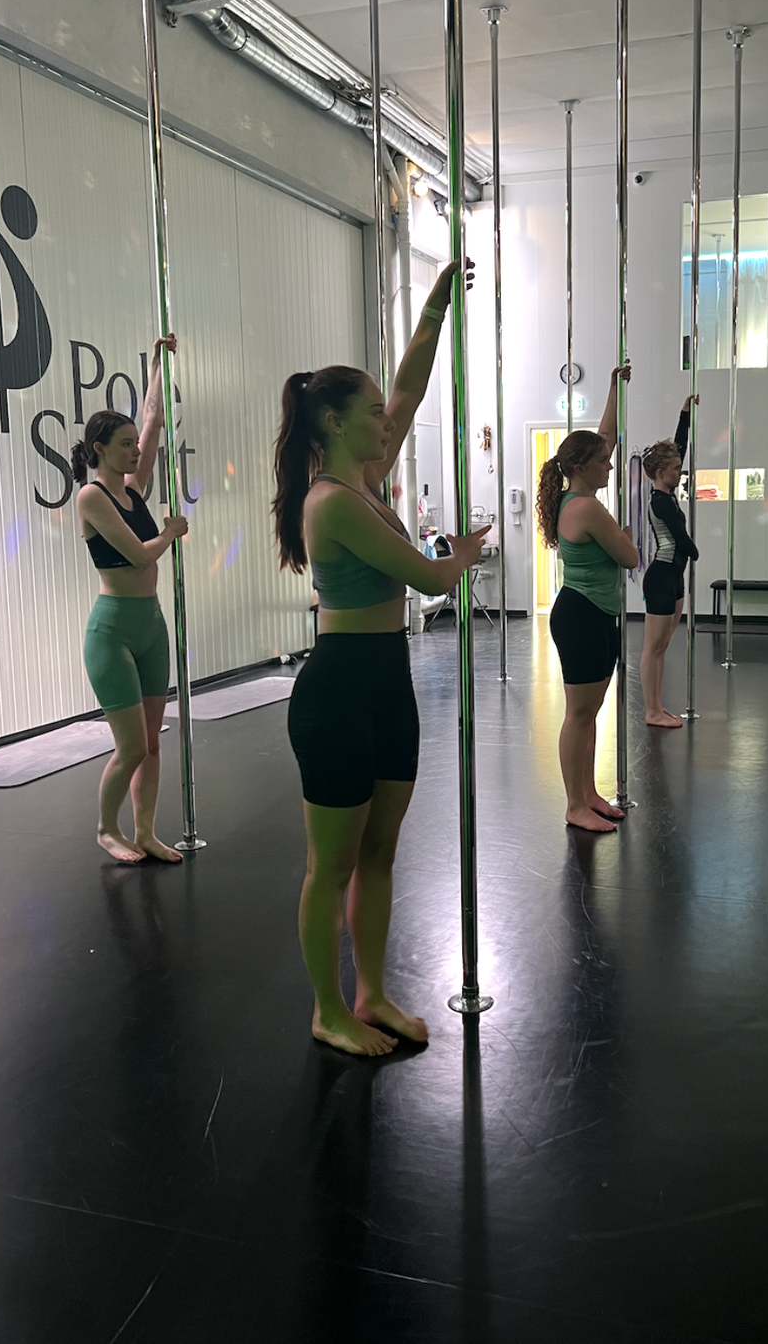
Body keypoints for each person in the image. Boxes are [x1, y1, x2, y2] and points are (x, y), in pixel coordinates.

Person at [272, 261, 488, 1058]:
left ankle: (371, 993)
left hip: (389, 685)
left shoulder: (366, 479)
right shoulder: (330, 502)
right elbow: (430, 579)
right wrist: (462, 555)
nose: (385, 423)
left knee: (380, 853)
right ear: (334, 424)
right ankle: (327, 1010)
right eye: (369, 414)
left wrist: (434, 310)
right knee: (329, 866)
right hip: (336, 694)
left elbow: (408, 389)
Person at [74, 335, 188, 864]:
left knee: (154, 743)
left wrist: (158, 361)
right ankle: (106, 828)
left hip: (151, 625)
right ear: (99, 449)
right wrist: (170, 533)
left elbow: (153, 419)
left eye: (134, 445)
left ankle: (145, 832)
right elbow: (141, 556)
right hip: (113, 631)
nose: (135, 450)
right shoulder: (91, 497)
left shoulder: (133, 489)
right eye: (124, 445)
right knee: (133, 746)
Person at [536, 365, 640, 833]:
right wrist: (627, 537)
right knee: (579, 714)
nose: (610, 465)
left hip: (595, 615)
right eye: (603, 462)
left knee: (590, 713)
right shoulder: (587, 508)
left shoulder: (573, 497)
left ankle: (589, 793)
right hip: (581, 616)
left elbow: (605, 438)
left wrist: (614, 388)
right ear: (581, 468)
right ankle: (574, 804)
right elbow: (630, 557)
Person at [639, 394, 700, 727]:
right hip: (662, 578)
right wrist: (695, 551)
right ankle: (651, 711)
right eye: (675, 469)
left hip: (674, 578)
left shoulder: (668, 491)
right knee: (653, 648)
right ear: (661, 473)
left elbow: (679, 447)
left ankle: (658, 706)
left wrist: (684, 414)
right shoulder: (661, 502)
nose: (680, 471)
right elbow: (681, 539)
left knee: (662, 647)